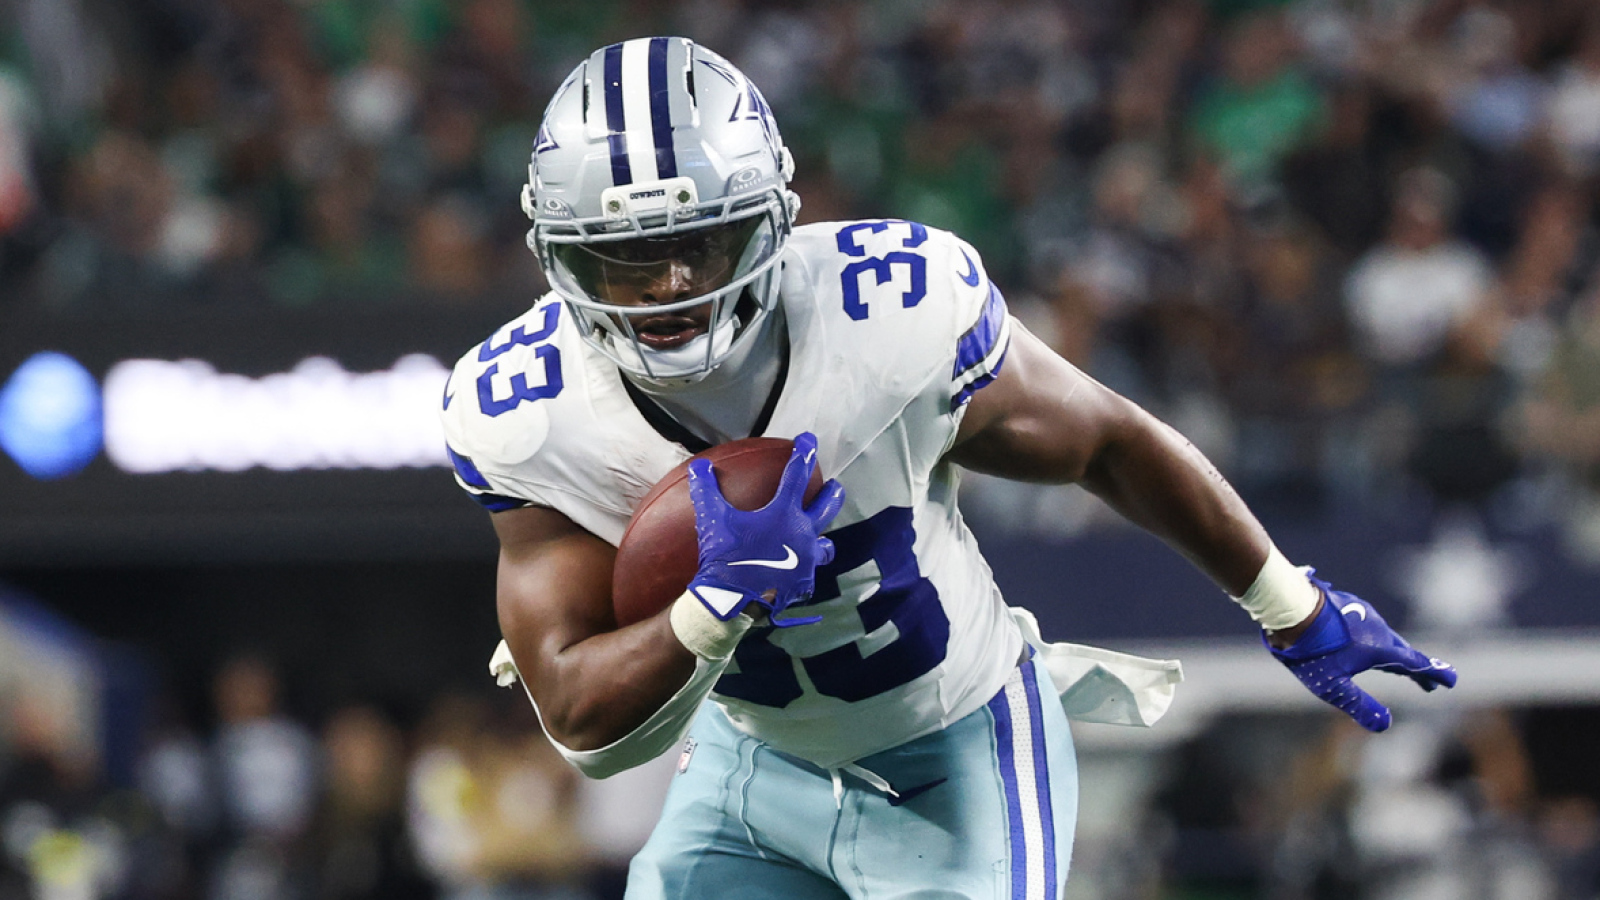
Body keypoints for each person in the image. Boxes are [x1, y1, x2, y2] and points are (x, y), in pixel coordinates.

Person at [439, 37, 1457, 899]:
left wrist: (1291, 606)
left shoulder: (886, 315)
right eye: (626, 258)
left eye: (701, 243)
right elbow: (588, 730)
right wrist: (711, 606)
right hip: (754, 764)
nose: (669, 287)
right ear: (559, 256)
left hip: (955, 748)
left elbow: (1107, 439)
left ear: (769, 216)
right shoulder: (530, 412)